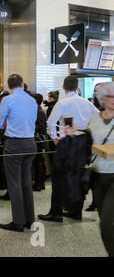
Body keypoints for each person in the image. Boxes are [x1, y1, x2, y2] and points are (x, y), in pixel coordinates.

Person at [38, 76, 98, 223]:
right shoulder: (87, 103)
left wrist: (55, 138)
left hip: (67, 141)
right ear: (77, 87)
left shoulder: (63, 103)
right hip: (83, 142)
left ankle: (56, 213)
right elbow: (98, 118)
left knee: (58, 178)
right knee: (78, 175)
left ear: (64, 88)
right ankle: (76, 211)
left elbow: (51, 122)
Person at [0, 74, 37, 232]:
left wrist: (8, 122)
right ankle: (29, 219)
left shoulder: (8, 100)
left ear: (9, 86)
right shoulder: (32, 100)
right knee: (26, 183)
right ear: (22, 84)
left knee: (14, 184)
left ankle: (18, 221)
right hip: (31, 143)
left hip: (14, 143)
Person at [87, 82, 114, 257]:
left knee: (107, 223)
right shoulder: (94, 118)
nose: (113, 100)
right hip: (97, 176)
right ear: (102, 98)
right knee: (104, 220)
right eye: (110, 96)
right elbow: (88, 142)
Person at [87, 83, 105, 211]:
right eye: (95, 91)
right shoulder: (93, 106)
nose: (95, 93)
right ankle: (95, 202)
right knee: (95, 176)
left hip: (106, 147)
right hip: (95, 145)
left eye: (98, 91)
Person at [31, 93, 47, 192]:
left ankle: (38, 184)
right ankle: (40, 183)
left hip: (38, 140)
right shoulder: (38, 110)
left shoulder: (38, 112)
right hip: (38, 140)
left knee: (38, 163)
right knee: (38, 162)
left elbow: (40, 127)